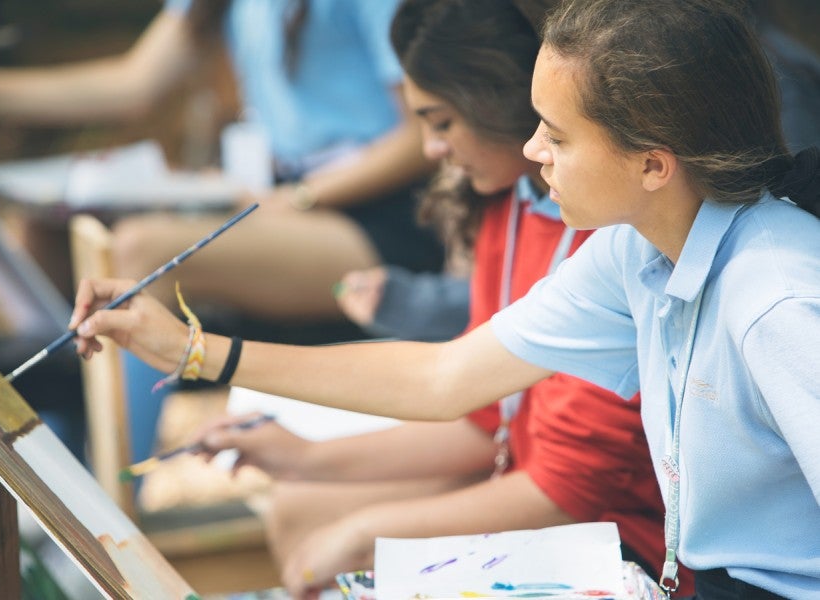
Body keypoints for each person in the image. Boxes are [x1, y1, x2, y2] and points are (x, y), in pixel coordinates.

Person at [69, 0, 820, 597]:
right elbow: (445, 379)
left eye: (556, 137)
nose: (532, 151)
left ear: (653, 164)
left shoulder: (777, 300)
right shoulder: (637, 250)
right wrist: (190, 350)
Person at [191, 1, 691, 597]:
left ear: (500, 101)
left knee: (328, 538)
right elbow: (476, 408)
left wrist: (359, 533)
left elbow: (569, 486)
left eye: (441, 121)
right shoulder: (510, 204)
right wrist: (302, 457)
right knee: (302, 510)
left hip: (619, 541)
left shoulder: (606, 232)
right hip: (546, 488)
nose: (428, 149)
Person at [0, 0, 445, 328]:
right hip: (284, 193)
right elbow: (132, 85)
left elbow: (422, 133)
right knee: (47, 234)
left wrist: (300, 197)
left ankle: (105, 491)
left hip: (384, 215)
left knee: (141, 250)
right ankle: (53, 450)